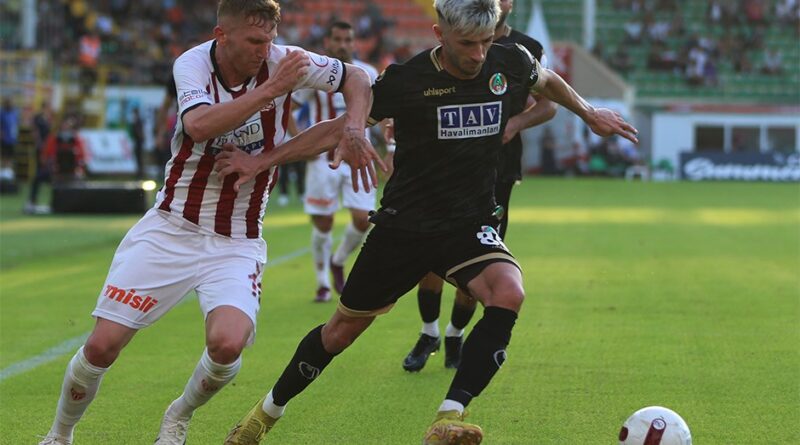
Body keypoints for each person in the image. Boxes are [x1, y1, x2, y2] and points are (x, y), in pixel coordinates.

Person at [217, 0, 637, 443]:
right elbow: (338, 128)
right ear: (440, 34)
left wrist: (590, 113)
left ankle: (448, 416)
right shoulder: (407, 80)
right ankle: (263, 415)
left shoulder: (510, 59)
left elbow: (547, 80)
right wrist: (263, 160)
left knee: (508, 291)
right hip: (405, 228)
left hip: (467, 222)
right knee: (339, 333)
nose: (478, 54)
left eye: (486, 41)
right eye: (467, 44)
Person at [37, 1, 379, 444]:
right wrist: (272, 89)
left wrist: (352, 128)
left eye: (269, 40)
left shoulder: (284, 60)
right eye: (254, 41)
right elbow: (198, 125)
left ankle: (177, 416)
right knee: (102, 346)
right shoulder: (193, 64)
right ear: (222, 35)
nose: (264, 50)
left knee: (227, 345)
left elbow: (358, 78)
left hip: (237, 239)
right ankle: (60, 435)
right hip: (171, 227)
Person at [402, 0, 558, 373]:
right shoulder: (453, 41)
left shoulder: (526, 48)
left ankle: (455, 334)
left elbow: (549, 104)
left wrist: (515, 123)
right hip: (444, 170)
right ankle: (428, 333)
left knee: (481, 260)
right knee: (428, 257)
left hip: (498, 172)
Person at [292, 21, 383, 303]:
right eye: (338, 39)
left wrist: (388, 145)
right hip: (322, 159)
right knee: (323, 222)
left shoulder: (368, 73)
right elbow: (288, 108)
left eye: (348, 39)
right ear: (327, 43)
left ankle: (338, 260)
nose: (343, 44)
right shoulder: (315, 73)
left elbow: (383, 111)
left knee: (363, 219)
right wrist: (300, 143)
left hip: (357, 157)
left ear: (354, 43)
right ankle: (322, 283)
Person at [26, 102, 55, 213]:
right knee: (39, 174)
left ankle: (47, 200)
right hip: (41, 149)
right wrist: (40, 146)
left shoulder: (48, 118)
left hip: (47, 149)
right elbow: (35, 133)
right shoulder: (38, 118)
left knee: (45, 174)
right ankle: (32, 200)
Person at [0, 98, 19, 185]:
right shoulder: (2, 113)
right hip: (5, 139)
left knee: (10, 156)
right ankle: (3, 172)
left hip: (12, 139)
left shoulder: (14, 113)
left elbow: (15, 125)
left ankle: (9, 172)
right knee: (4, 155)